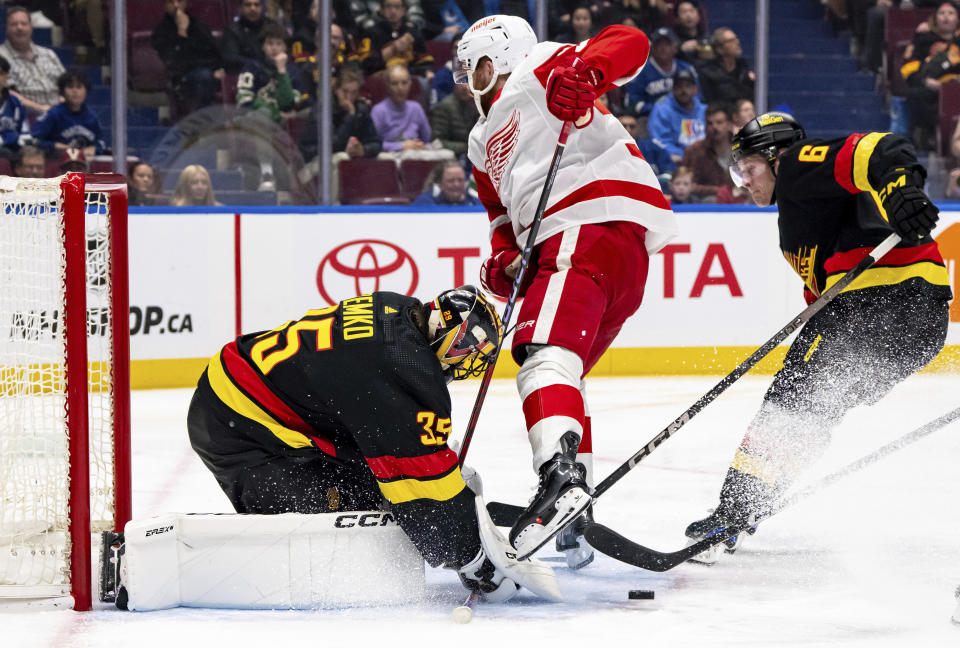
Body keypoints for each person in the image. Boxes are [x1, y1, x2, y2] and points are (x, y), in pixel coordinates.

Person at [456, 15, 678, 566]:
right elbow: (500, 218)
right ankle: (578, 516)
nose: (468, 79)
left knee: (542, 361)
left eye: (475, 65)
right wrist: (506, 261)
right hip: (607, 249)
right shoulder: (480, 142)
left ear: (501, 57)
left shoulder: (536, 69)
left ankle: (562, 482)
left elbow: (631, 40)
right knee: (563, 374)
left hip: (585, 223)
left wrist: (588, 71)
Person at [684, 112, 950, 563]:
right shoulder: (792, 223)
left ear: (776, 156)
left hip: (879, 301)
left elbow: (883, 149)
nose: (745, 180)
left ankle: (736, 509)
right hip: (920, 324)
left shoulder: (800, 166)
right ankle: (749, 504)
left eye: (749, 168)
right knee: (814, 409)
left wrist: (902, 189)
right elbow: (823, 295)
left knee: (790, 402)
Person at [187, 285, 559, 603]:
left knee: (383, 485)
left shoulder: (395, 309)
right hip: (238, 428)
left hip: (242, 383)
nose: (464, 366)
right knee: (348, 517)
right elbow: (422, 496)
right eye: (468, 353)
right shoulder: (404, 370)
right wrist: (475, 558)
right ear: (454, 336)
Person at [900, 2, 960, 151]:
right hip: (932, 88)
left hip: (957, 88)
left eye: (951, 13)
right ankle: (928, 134)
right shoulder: (924, 39)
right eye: (942, 13)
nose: (946, 17)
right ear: (935, 18)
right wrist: (925, 81)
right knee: (914, 94)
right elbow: (909, 67)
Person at [151, 0, 225, 116]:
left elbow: (213, 52)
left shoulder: (198, 25)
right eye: (171, 2)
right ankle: (200, 120)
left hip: (208, 72)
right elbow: (174, 63)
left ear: (185, 3)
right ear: (165, 5)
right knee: (204, 76)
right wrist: (182, 33)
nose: (176, 5)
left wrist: (217, 69)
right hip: (181, 78)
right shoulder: (161, 31)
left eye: (179, 1)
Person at [0, 5, 66, 115]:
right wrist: (42, 109)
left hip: (58, 117)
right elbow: (6, 92)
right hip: (23, 118)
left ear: (31, 27)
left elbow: (66, 85)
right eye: (14, 24)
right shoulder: (1, 57)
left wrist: (62, 107)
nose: (19, 28)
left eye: (24, 23)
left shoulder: (49, 55)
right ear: (6, 28)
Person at [30, 69, 105, 158]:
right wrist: (57, 146)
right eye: (70, 87)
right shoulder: (53, 114)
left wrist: (94, 149)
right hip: (56, 163)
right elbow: (35, 141)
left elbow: (100, 143)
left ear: (86, 91)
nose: (75, 91)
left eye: (79, 87)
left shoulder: (92, 117)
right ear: (62, 91)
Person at [623, 26, 696, 117]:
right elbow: (633, 103)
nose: (663, 48)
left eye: (667, 44)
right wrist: (658, 110)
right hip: (650, 118)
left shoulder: (686, 68)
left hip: (685, 115)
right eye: (659, 44)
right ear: (652, 48)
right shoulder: (639, 72)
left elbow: (698, 97)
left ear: (675, 48)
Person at [358, 0, 433, 77]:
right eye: (388, 7)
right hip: (381, 78)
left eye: (397, 7)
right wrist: (392, 49)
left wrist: (422, 72)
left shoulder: (414, 33)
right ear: (381, 10)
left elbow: (425, 62)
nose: (393, 11)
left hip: (409, 76)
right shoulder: (370, 34)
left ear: (404, 11)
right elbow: (365, 66)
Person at [647, 68, 706, 162]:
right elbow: (660, 141)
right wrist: (683, 155)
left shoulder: (705, 110)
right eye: (679, 86)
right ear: (673, 90)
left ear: (695, 90)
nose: (684, 90)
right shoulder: (661, 110)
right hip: (675, 158)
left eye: (688, 86)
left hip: (704, 157)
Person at [680, 102, 735, 201]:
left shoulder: (742, 149)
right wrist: (720, 191)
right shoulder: (694, 151)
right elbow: (686, 184)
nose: (714, 127)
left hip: (740, 206)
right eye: (710, 123)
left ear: (729, 125)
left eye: (719, 122)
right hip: (704, 207)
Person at [371, 64, 431, 152]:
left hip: (415, 156)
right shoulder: (378, 111)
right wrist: (401, 146)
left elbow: (427, 139)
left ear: (410, 84)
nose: (400, 88)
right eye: (394, 84)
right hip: (388, 160)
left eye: (404, 83)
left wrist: (419, 145)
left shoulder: (416, 108)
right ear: (387, 86)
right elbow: (373, 145)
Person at [698, 27, 755, 104]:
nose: (737, 42)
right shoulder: (709, 72)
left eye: (736, 39)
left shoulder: (745, 68)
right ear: (719, 49)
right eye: (731, 41)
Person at [221, 0, 277, 75]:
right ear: (240, 8)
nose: (253, 8)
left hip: (272, 69)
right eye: (248, 5)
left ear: (261, 7)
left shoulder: (272, 26)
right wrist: (253, 64)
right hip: (244, 74)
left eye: (256, 5)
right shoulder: (233, 30)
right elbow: (231, 57)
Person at [430, 80, 479, 159]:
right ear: (454, 84)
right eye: (461, 82)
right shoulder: (445, 107)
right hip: (452, 158)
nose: (464, 87)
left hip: (472, 155)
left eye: (468, 82)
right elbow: (437, 141)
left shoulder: (476, 105)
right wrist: (465, 147)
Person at [413, 160, 480, 205]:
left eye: (460, 180)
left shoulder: (476, 202)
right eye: (450, 181)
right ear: (439, 184)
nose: (456, 184)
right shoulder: (424, 203)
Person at [0, 55, 29, 158]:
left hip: (13, 152)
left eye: (1, 73)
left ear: (6, 76)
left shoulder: (15, 102)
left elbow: (25, 134)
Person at [673, 0, 711, 64]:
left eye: (692, 11)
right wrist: (681, 50)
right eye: (684, 12)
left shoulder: (707, 37)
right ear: (677, 19)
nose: (688, 15)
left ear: (699, 16)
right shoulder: (673, 40)